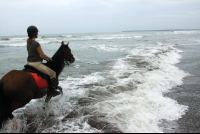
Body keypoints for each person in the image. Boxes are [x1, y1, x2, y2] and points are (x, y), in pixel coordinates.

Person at [26, 25, 61, 97]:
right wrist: (51, 59)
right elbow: (43, 56)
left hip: (28, 63)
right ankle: (53, 91)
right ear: (35, 33)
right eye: (37, 32)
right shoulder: (36, 43)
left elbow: (33, 54)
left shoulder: (28, 43)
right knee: (53, 74)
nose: (38, 34)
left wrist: (40, 57)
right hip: (36, 64)